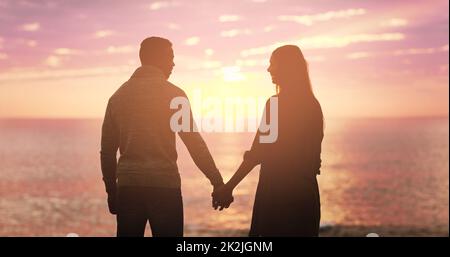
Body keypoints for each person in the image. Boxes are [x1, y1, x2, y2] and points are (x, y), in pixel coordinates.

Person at [100, 36, 229, 237]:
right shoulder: (174, 95)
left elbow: (107, 152)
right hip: (164, 186)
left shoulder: (118, 97)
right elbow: (194, 143)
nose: (173, 63)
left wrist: (112, 191)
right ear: (157, 59)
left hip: (128, 187)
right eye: (170, 57)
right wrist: (217, 182)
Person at [213, 45, 324, 236]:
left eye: (273, 64)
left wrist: (228, 187)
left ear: (286, 68)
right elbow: (315, 160)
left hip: (277, 197)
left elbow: (257, 153)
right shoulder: (313, 106)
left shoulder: (276, 104)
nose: (269, 69)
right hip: (306, 198)